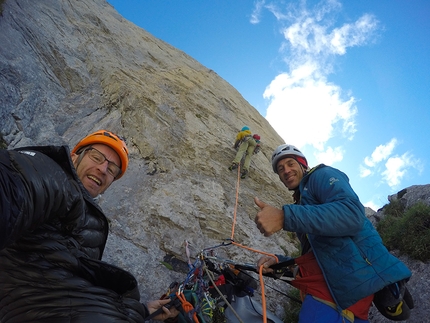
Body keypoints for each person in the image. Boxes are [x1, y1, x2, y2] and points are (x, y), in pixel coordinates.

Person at [0, 130, 178, 322]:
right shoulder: (54, 176)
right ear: (74, 156)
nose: (102, 169)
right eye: (96, 157)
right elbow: (16, 187)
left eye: (112, 170)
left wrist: (142, 311)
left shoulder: (79, 211)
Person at [254, 144, 413, 323]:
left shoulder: (321, 175)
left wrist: (285, 216)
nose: (286, 171)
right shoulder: (302, 206)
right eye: (281, 169)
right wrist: (279, 263)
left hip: (337, 292)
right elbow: (316, 255)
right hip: (341, 294)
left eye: (291, 164)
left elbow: (352, 214)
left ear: (302, 165)